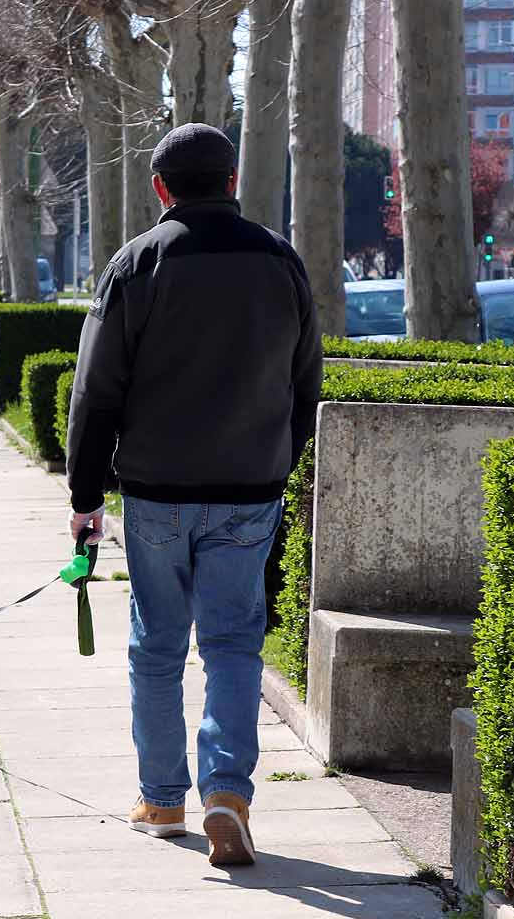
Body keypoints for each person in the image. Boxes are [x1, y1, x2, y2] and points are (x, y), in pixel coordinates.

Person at [64, 123, 322, 867]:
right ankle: (227, 793)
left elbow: (96, 388)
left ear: (160, 188)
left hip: (155, 491)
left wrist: (86, 494)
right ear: (233, 177)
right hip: (249, 487)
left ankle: (162, 797)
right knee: (235, 640)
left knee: (156, 643)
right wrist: (281, 458)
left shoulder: (136, 264)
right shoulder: (281, 262)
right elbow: (306, 382)